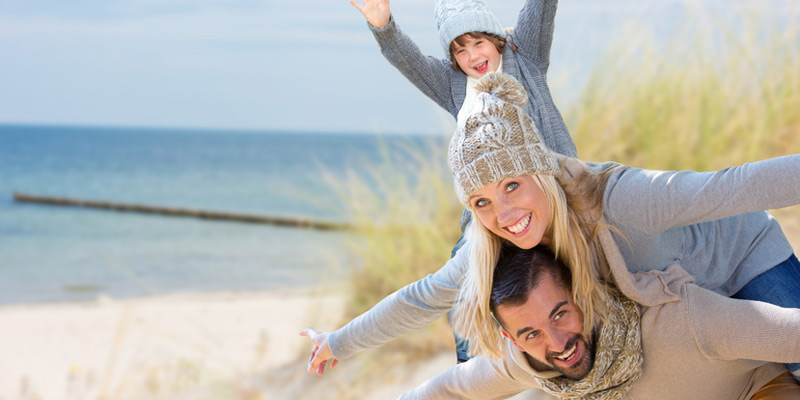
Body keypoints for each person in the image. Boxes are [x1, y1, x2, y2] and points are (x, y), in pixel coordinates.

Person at [301, 73, 800, 383]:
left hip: (741, 258)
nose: (503, 213)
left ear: (538, 170)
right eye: (481, 201)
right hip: (686, 307)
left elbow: (734, 187)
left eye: (512, 186)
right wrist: (339, 341)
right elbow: (421, 297)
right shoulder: (490, 246)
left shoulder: (616, 198)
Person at [400, 245, 800, 399]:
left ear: (582, 293)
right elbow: (446, 390)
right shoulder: (531, 366)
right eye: (532, 333)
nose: (558, 342)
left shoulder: (682, 321)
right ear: (512, 339)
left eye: (560, 313)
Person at [349, 0, 577, 157]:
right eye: (460, 51)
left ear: (495, 39)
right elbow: (410, 61)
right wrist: (384, 27)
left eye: (478, 43)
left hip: (555, 194)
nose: (473, 57)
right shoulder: (453, 84)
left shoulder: (525, 56)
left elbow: (540, 9)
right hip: (493, 212)